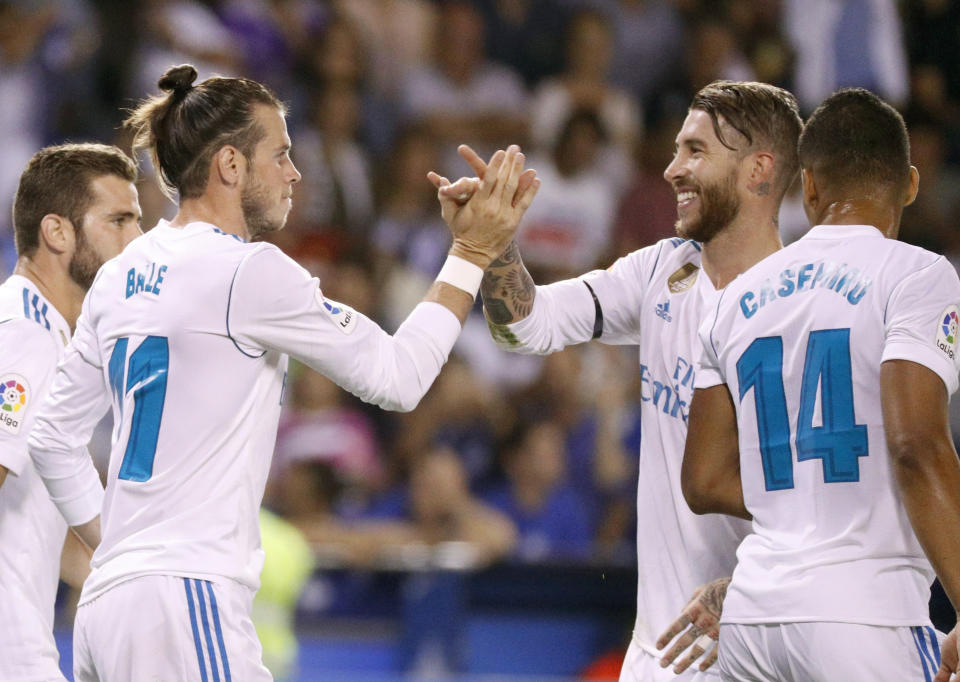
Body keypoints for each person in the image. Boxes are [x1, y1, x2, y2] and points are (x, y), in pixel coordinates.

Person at [27, 64, 538, 681]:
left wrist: (116, 546)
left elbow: (52, 435)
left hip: (108, 608)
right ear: (230, 166)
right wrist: (471, 254)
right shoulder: (249, 272)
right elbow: (399, 378)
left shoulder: (119, 276)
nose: (295, 174)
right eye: (282, 154)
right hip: (186, 601)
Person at [435, 80, 803, 679]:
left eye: (695, 151)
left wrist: (745, 584)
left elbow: (831, 494)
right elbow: (524, 327)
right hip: (660, 653)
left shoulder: (805, 309)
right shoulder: (662, 270)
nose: (671, 169)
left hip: (760, 646)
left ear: (759, 170)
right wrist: (494, 246)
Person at [681, 88, 960, 681]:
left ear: (808, 187)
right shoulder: (917, 275)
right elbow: (916, 447)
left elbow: (702, 480)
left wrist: (805, 496)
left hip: (752, 621)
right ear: (909, 185)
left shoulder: (734, 301)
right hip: (866, 618)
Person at [0, 143, 142, 680]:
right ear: (57, 233)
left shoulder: (48, 333)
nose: (138, 240)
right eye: (119, 221)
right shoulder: (26, 336)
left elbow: (24, 506)